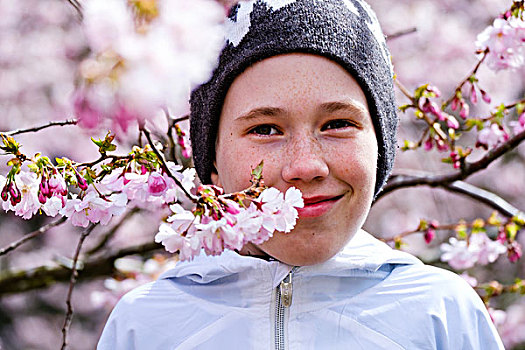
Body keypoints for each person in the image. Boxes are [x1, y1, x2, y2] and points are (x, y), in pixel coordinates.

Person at [98, 0, 505, 348]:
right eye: (264, 129)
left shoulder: (441, 314)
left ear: (380, 143)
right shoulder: (145, 327)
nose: (306, 167)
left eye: (337, 124)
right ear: (213, 162)